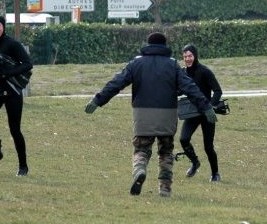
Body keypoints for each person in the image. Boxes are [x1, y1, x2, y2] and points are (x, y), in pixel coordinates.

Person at [84, 32, 217, 197]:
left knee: (141, 148)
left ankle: (140, 169)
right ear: (164, 46)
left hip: (143, 114)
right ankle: (165, 188)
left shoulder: (136, 63)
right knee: (166, 152)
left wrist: (98, 100)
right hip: (167, 114)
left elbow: (116, 83)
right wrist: (206, 107)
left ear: (148, 45)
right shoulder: (172, 64)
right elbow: (190, 87)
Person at [0, 15, 33, 176]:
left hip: (12, 92)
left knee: (15, 129)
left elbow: (28, 64)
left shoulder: (13, 44)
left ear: (3, 27)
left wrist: (9, 73)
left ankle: (23, 166)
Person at [179, 44, 223, 182]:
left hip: (207, 113)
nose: (188, 59)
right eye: (185, 56)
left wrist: (210, 106)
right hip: (192, 113)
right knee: (183, 139)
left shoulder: (204, 71)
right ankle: (195, 162)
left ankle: (215, 174)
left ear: (195, 56)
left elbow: (218, 91)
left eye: (190, 56)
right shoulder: (183, 72)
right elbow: (180, 90)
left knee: (208, 146)